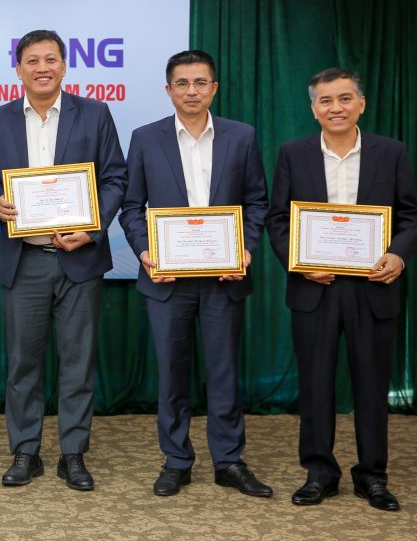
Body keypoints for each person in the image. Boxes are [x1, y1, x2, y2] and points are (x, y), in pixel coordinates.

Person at [267, 68, 417, 511]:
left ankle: (372, 475)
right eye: (326, 101)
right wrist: (299, 262)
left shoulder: (391, 152)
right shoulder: (292, 153)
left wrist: (398, 255)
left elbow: (410, 217)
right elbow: (278, 220)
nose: (336, 108)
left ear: (361, 103)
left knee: (372, 386)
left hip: (373, 288)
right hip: (314, 288)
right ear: (313, 108)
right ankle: (320, 473)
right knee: (315, 384)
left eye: (344, 98)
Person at [0, 29, 127, 491]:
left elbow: (115, 178)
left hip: (80, 259)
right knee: (23, 363)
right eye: (32, 60)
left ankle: (73, 454)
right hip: (24, 258)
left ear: (64, 65)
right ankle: (25, 451)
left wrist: (93, 228)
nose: (42, 68)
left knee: (78, 362)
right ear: (18, 69)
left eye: (50, 59)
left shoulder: (95, 114)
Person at [118, 50, 272, 498]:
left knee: (224, 373)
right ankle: (176, 460)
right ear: (168, 90)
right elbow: (131, 207)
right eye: (182, 83)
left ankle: (229, 461)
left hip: (225, 279)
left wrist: (245, 249)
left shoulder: (241, 136)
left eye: (200, 82)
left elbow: (257, 202)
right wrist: (145, 251)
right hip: (166, 281)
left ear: (214, 88)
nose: (192, 91)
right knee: (171, 375)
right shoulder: (145, 138)